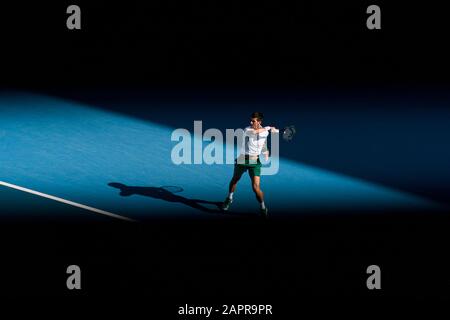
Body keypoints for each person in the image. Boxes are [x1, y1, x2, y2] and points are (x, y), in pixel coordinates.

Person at [222, 112, 277, 217]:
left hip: (254, 162)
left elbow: (263, 140)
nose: (250, 122)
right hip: (242, 159)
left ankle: (263, 207)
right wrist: (269, 127)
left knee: (256, 187)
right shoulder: (247, 129)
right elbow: (256, 132)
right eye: (251, 120)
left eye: (253, 120)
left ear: (259, 122)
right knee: (235, 179)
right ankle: (229, 198)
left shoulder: (265, 132)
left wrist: (266, 151)